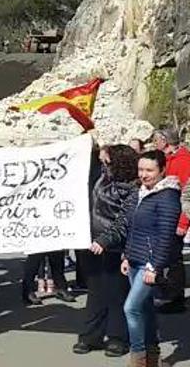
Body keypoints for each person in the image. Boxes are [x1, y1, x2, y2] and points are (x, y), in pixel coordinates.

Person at [72, 145, 136, 357]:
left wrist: (106, 240)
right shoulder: (100, 179)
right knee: (96, 291)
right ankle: (91, 336)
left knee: (117, 293)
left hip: (115, 246)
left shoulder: (131, 187)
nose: (102, 163)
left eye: (105, 160)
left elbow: (124, 221)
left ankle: (118, 337)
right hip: (92, 243)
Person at [122, 150, 181, 367]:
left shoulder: (167, 196)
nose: (144, 175)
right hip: (135, 259)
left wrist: (154, 266)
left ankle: (138, 358)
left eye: (149, 170)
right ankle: (152, 357)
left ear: (162, 170)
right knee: (144, 309)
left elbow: (166, 236)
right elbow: (133, 229)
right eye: (141, 169)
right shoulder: (141, 193)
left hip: (150, 263)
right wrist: (127, 256)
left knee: (131, 308)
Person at [152, 128, 189, 313]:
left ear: (165, 141)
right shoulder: (169, 159)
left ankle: (175, 298)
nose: (154, 144)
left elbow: (186, 194)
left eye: (156, 140)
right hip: (166, 213)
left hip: (175, 216)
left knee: (174, 257)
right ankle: (167, 293)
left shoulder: (183, 161)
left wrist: (183, 222)